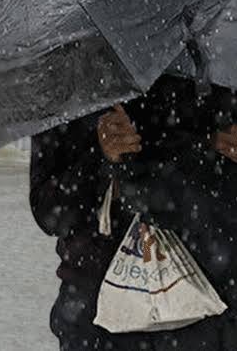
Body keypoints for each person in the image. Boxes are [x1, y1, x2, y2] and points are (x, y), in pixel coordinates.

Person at [29, 74, 237, 350]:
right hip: (97, 312)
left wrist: (209, 146)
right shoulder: (65, 82)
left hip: (207, 306)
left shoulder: (217, 66)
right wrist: (100, 157)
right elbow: (49, 213)